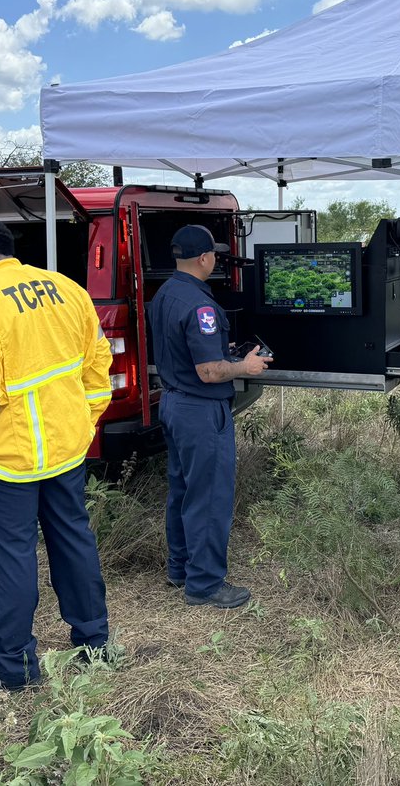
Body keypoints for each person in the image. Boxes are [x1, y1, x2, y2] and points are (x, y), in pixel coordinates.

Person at [0, 219, 113, 692]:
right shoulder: (67, 288)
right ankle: (94, 644)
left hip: (7, 458)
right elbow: (98, 362)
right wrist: (86, 417)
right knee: (74, 541)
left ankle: (15, 667)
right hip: (65, 446)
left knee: (15, 556)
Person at [147, 225, 271, 609]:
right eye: (214, 254)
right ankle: (204, 585)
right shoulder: (201, 306)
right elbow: (209, 372)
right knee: (210, 497)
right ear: (204, 259)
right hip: (200, 410)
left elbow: (187, 351)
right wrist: (246, 366)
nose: (216, 259)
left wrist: (224, 348)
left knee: (183, 490)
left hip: (173, 402)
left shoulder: (166, 293)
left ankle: (181, 568)